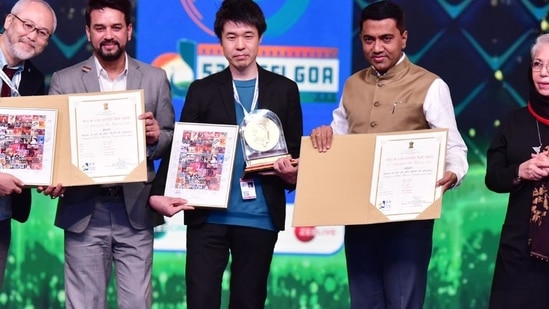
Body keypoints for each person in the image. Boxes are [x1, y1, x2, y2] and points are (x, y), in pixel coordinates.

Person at [310, 1, 468, 308]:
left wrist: (454, 172)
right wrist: (324, 134)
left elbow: (455, 147)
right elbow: (338, 137)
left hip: (409, 220)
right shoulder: (352, 84)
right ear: (361, 39)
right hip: (358, 218)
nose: (377, 47)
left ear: (404, 38)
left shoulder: (431, 85)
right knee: (363, 303)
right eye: (369, 39)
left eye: (386, 38)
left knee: (402, 302)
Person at [148, 0, 302, 308]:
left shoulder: (284, 89)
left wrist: (292, 174)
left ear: (260, 37)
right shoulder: (202, 89)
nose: (240, 45)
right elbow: (182, 145)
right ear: (220, 41)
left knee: (249, 301)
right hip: (208, 217)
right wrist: (157, 193)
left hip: (259, 218)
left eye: (248, 35)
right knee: (201, 300)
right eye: (231, 37)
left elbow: (296, 155)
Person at [37, 0, 174, 308]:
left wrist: (154, 138)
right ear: (88, 32)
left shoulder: (154, 78)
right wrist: (54, 174)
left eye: (115, 27)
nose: (108, 35)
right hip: (85, 209)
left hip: (135, 210)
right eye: (100, 28)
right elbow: (53, 145)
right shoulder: (64, 80)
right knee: (84, 304)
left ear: (129, 31)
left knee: (138, 303)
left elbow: (170, 137)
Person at [485, 33, 549, 309]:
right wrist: (520, 171)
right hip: (518, 253)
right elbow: (493, 177)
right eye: (537, 64)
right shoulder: (513, 121)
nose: (544, 73)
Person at [0, 0, 56, 287]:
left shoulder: (35, 79)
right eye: (28, 25)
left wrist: (52, 175)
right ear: (9, 21)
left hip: (2, 213)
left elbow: (32, 145)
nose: (33, 35)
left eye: (43, 32)